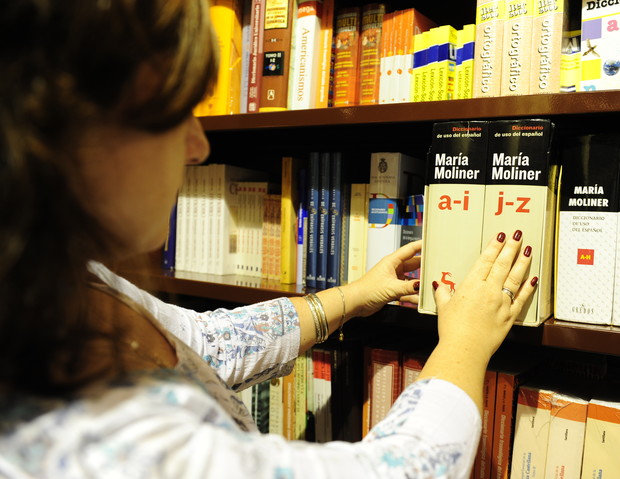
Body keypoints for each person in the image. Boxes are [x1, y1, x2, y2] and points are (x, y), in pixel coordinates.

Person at [0, 0, 538, 477]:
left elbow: (205, 344)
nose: (198, 145)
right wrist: (465, 343)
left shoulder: (66, 282)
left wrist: (351, 295)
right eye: (173, 112)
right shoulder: (86, 438)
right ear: (65, 132)